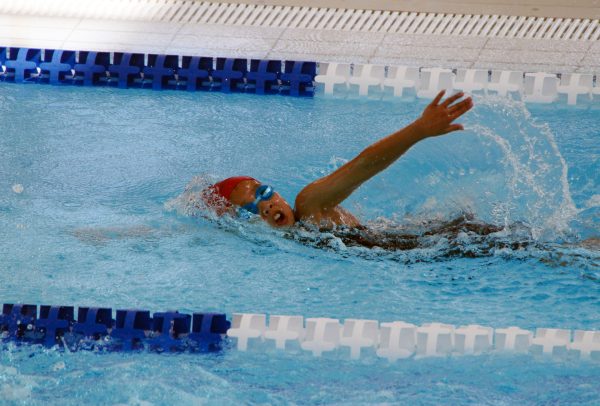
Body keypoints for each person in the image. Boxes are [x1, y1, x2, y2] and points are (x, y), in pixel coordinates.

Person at [202, 90, 473, 230]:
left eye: (264, 193)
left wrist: (419, 130)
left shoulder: (309, 204)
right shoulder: (296, 237)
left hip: (446, 245)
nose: (266, 206)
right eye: (251, 209)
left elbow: (363, 166)